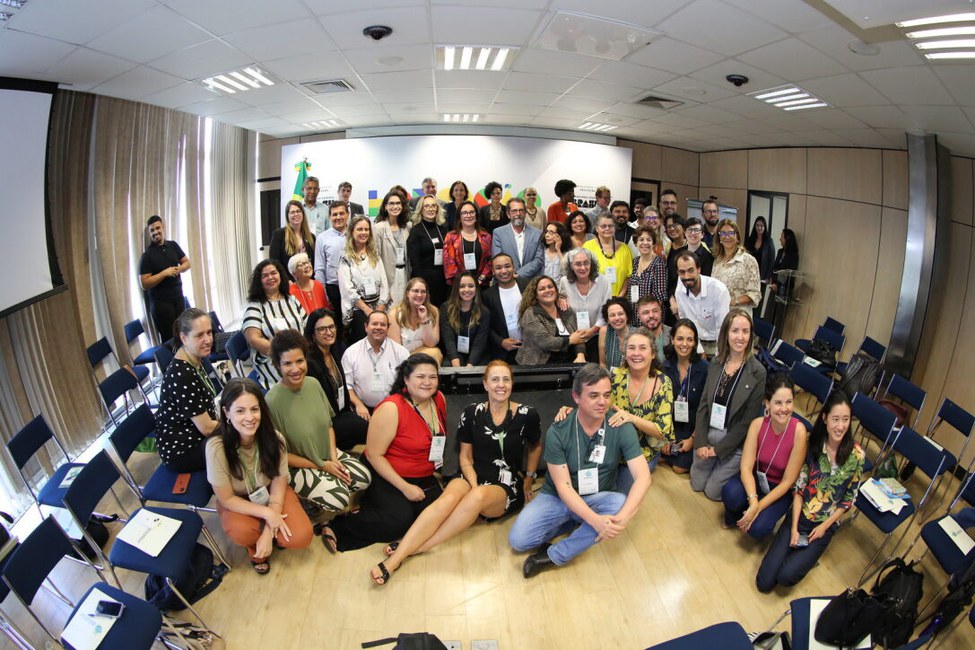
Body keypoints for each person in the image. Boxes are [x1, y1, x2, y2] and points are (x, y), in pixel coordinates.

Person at [371, 361, 542, 584]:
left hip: (506, 482)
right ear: (485, 384)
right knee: (447, 499)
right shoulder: (471, 413)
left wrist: (529, 479)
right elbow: (465, 458)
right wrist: (473, 483)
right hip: (473, 473)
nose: (501, 385)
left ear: (512, 383)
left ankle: (413, 550)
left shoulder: (528, 414)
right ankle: (401, 553)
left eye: (506, 379)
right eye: (495, 379)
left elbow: (535, 446)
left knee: (478, 497)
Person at [509, 364, 651, 578]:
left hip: (597, 496)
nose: (602, 402)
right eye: (593, 395)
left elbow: (643, 477)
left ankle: (554, 555)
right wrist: (596, 522)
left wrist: (620, 520)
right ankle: (578, 520)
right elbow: (564, 488)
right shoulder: (559, 430)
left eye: (606, 395)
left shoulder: (620, 424)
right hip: (558, 497)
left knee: (620, 504)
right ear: (576, 397)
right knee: (519, 541)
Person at [322, 354, 448, 552]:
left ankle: (376, 509)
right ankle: (337, 526)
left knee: (438, 515)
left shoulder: (439, 399)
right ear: (406, 379)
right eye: (420, 376)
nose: (427, 382)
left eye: (433, 377)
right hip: (388, 473)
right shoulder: (392, 408)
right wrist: (405, 487)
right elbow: (373, 455)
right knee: (397, 522)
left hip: (423, 475)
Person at [756, 390, 864, 592]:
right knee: (764, 583)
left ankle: (810, 555)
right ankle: (798, 549)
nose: (840, 426)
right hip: (800, 516)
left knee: (786, 577)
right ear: (824, 418)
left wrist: (825, 527)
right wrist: (795, 526)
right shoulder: (812, 444)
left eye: (846, 419)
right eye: (835, 419)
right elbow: (799, 489)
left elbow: (849, 499)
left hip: (823, 525)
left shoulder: (856, 456)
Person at [206, 378, 313, 575]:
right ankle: (254, 546)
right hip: (238, 500)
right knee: (243, 532)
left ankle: (269, 536)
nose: (250, 417)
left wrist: (268, 527)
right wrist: (268, 515)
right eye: (240, 411)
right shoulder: (216, 447)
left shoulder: (275, 438)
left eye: (254, 409)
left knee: (301, 536)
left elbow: (279, 481)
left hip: (270, 492)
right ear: (226, 413)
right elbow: (226, 498)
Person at [266, 330, 371, 516]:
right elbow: (279, 456)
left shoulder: (313, 384)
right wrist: (321, 466)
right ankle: (301, 498)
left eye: (299, 361)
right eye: (287, 363)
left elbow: (329, 425)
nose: (295, 368)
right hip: (298, 465)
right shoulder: (272, 401)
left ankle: (328, 480)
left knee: (364, 479)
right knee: (340, 498)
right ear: (277, 366)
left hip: (325, 454)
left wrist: (333, 457)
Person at [691, 309, 767, 500]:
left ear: (751, 336)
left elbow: (746, 422)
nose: (740, 337)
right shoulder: (716, 363)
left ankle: (726, 466)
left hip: (734, 441)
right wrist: (700, 442)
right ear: (726, 333)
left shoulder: (758, 372)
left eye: (745, 331)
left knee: (712, 492)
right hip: (710, 433)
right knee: (697, 484)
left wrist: (718, 451)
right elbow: (703, 407)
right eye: (735, 331)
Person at [721, 374, 807, 538]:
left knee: (758, 529)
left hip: (779, 488)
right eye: (778, 402)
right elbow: (745, 467)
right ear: (767, 403)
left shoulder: (799, 431)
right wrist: (753, 500)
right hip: (756, 479)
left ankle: (751, 514)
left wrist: (758, 507)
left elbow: (788, 482)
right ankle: (739, 511)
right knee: (730, 493)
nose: (784, 408)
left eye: (789, 402)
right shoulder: (757, 425)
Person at [156, 308, 220, 472]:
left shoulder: (194, 358)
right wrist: (235, 425)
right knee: (245, 438)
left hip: (195, 434)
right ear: (183, 338)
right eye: (199, 335)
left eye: (209, 332)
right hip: (183, 451)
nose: (208, 340)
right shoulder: (182, 375)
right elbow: (206, 428)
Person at [303, 309, 367, 450]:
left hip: (342, 412)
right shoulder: (310, 363)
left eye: (331, 327)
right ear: (313, 334)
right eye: (322, 329)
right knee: (370, 429)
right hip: (326, 421)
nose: (329, 332)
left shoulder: (335, 351)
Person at [242, 259, 307, 387]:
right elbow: (253, 339)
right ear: (259, 281)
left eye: (273, 273)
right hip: (272, 360)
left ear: (280, 276)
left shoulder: (291, 299)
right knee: (291, 377)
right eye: (264, 276)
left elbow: (307, 325)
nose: (270, 277)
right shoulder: (255, 306)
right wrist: (282, 354)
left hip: (300, 355)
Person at [661, 319, 709, 474]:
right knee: (659, 458)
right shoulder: (665, 367)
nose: (684, 344)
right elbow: (662, 406)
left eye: (690, 339)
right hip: (672, 426)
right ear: (672, 339)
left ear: (695, 343)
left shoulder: (705, 369)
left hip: (694, 427)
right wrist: (666, 437)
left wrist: (693, 439)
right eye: (680, 338)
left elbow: (706, 408)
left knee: (679, 468)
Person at [342, 311, 410, 417]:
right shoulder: (351, 352)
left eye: (383, 324)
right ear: (366, 326)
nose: (378, 327)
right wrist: (359, 405)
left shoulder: (401, 352)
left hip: (394, 408)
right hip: (362, 410)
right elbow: (347, 385)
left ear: (388, 328)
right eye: (374, 324)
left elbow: (407, 383)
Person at [338, 215, 389, 344]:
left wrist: (381, 306)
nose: (364, 233)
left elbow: (384, 281)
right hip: (359, 311)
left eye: (366, 230)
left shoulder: (374, 253)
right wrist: (367, 310)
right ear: (352, 232)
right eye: (360, 229)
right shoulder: (345, 256)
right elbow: (347, 288)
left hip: (378, 308)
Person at [139, 215, 190, 342]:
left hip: (178, 298)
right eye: (152, 230)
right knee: (170, 340)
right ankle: (173, 362)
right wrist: (164, 273)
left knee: (183, 335)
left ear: (163, 227)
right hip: (161, 304)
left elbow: (187, 263)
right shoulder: (147, 256)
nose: (155, 232)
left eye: (157, 228)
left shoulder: (173, 245)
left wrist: (179, 269)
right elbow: (144, 283)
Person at [516, 276, 588, 365]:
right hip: (538, 366)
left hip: (568, 364)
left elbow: (578, 336)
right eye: (542, 289)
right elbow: (545, 342)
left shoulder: (565, 310)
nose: (547, 290)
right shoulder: (531, 313)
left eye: (550, 287)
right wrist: (570, 340)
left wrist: (580, 355)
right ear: (535, 295)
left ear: (556, 290)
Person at [673, 252, 731, 358]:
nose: (686, 276)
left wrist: (719, 357)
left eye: (691, 271)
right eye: (682, 272)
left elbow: (722, 328)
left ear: (699, 269)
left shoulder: (719, 290)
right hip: (694, 342)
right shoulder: (679, 292)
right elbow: (686, 323)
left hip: (717, 342)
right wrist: (699, 351)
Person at [558, 247, 609, 360]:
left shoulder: (603, 281)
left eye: (586, 263)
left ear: (592, 264)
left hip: (597, 336)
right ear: (571, 266)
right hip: (574, 337)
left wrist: (592, 331)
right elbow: (561, 303)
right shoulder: (564, 282)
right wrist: (559, 298)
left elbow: (605, 311)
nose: (583, 267)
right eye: (578, 264)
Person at [482, 254, 530, 363]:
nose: (504, 271)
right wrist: (501, 342)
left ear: (514, 268)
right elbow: (485, 326)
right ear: (493, 271)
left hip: (530, 348)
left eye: (507, 266)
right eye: (498, 268)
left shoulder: (527, 286)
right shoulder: (487, 296)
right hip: (504, 352)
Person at [388, 277, 443, 365]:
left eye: (423, 292)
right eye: (416, 291)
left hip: (426, 354)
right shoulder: (394, 314)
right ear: (407, 293)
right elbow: (396, 349)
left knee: (435, 353)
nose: (419, 295)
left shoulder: (433, 311)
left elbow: (431, 344)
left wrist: (424, 319)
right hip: (403, 358)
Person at [440, 271, 490, 367]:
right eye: (462, 286)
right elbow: (448, 339)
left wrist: (469, 367)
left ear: (476, 288)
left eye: (471, 286)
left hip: (477, 354)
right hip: (455, 353)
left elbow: (479, 342)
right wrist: (457, 366)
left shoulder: (484, 311)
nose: (466, 290)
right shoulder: (446, 308)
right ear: (456, 289)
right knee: (448, 368)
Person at [407, 195, 450, 307]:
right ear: (421, 210)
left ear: (437, 208)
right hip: (425, 281)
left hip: (443, 280)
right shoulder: (415, 232)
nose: (430, 209)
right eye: (426, 206)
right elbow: (415, 263)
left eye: (433, 205)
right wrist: (422, 285)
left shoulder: (443, 229)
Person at [712, 218, 761, 313]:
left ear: (737, 237)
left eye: (730, 233)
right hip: (719, 313)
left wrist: (734, 302)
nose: (727, 237)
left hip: (740, 315)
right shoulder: (717, 261)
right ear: (719, 238)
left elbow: (755, 294)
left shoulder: (748, 261)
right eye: (723, 233)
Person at [373, 191, 412, 304]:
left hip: (405, 274)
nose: (395, 206)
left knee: (405, 309)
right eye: (391, 203)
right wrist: (382, 286)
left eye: (398, 203)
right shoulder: (378, 228)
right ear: (385, 206)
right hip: (388, 276)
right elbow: (376, 259)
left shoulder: (407, 226)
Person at [491, 197, 543, 280]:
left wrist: (519, 274)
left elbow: (539, 260)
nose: (518, 214)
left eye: (521, 210)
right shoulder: (498, 233)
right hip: (506, 281)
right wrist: (510, 274)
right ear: (508, 214)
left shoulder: (537, 234)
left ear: (525, 213)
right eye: (514, 211)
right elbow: (498, 258)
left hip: (530, 283)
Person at [443, 200, 492, 288]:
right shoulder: (451, 237)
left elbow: (490, 260)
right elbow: (449, 264)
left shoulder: (486, 236)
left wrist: (481, 279)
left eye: (471, 212)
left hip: (481, 284)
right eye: (464, 213)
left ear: (476, 215)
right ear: (459, 217)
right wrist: (465, 283)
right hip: (459, 286)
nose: (468, 215)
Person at [314, 202, 351, 313]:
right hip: (333, 289)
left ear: (348, 214)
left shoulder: (355, 234)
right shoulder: (322, 238)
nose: (338, 217)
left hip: (354, 287)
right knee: (337, 326)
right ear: (329, 217)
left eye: (341, 213)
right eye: (334, 214)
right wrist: (324, 294)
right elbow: (319, 269)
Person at [626, 225, 668, 323]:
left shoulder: (658, 263)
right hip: (634, 317)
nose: (645, 243)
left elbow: (659, 298)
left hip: (651, 319)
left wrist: (647, 316)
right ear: (636, 243)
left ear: (653, 243)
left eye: (649, 240)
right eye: (641, 239)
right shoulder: (634, 262)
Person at [584, 213, 633, 296]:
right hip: (595, 298)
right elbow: (584, 274)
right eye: (603, 226)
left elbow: (628, 277)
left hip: (619, 299)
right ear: (596, 228)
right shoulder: (588, 247)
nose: (607, 229)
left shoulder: (625, 249)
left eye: (610, 226)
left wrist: (620, 297)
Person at [270, 199, 315, 280]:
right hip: (288, 283)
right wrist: (287, 281)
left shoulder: (311, 237)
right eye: (292, 212)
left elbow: (313, 262)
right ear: (287, 215)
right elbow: (274, 262)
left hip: (307, 281)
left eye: (298, 211)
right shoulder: (279, 235)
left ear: (303, 214)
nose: (296, 214)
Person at [598, 297, 633, 372]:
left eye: (620, 314)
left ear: (627, 316)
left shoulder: (637, 334)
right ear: (607, 319)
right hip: (610, 378)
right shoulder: (604, 331)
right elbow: (602, 364)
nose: (617, 318)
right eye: (612, 315)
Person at [636, 296, 670, 361]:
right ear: (639, 316)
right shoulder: (633, 338)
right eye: (646, 312)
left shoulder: (673, 334)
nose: (651, 315)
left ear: (660, 311)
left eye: (655, 311)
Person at [746, 216, 776, 284]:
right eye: (757, 225)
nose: (759, 228)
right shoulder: (750, 240)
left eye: (762, 226)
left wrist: (768, 277)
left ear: (764, 227)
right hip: (750, 274)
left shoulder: (769, 241)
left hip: (762, 276)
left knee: (760, 294)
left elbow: (771, 261)